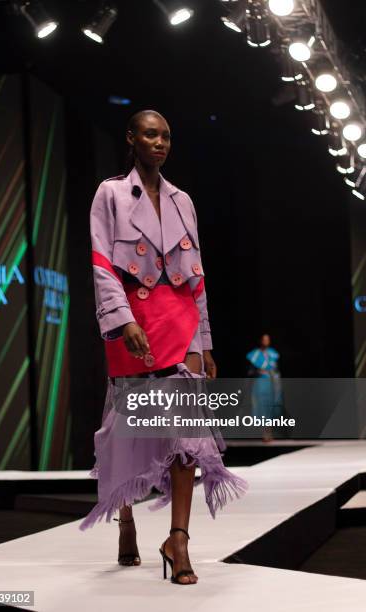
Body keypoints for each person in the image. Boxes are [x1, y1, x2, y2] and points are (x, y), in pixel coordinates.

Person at [79, 109, 248, 585]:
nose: (160, 142)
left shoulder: (182, 202)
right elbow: (100, 262)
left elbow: (197, 276)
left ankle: (179, 539)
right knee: (127, 428)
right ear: (131, 138)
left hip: (181, 321)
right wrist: (122, 319)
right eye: (151, 134)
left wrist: (207, 340)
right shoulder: (110, 193)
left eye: (167, 136)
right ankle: (127, 519)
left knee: (186, 432)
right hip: (135, 320)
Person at [246, 333, 283, 442]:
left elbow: (276, 370)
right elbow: (250, 371)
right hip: (260, 383)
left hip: (272, 382)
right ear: (260, 341)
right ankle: (264, 432)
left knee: (271, 406)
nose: (266, 341)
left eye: (268, 339)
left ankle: (270, 432)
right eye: (264, 339)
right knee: (261, 407)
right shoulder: (255, 355)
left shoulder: (273, 354)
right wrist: (258, 371)